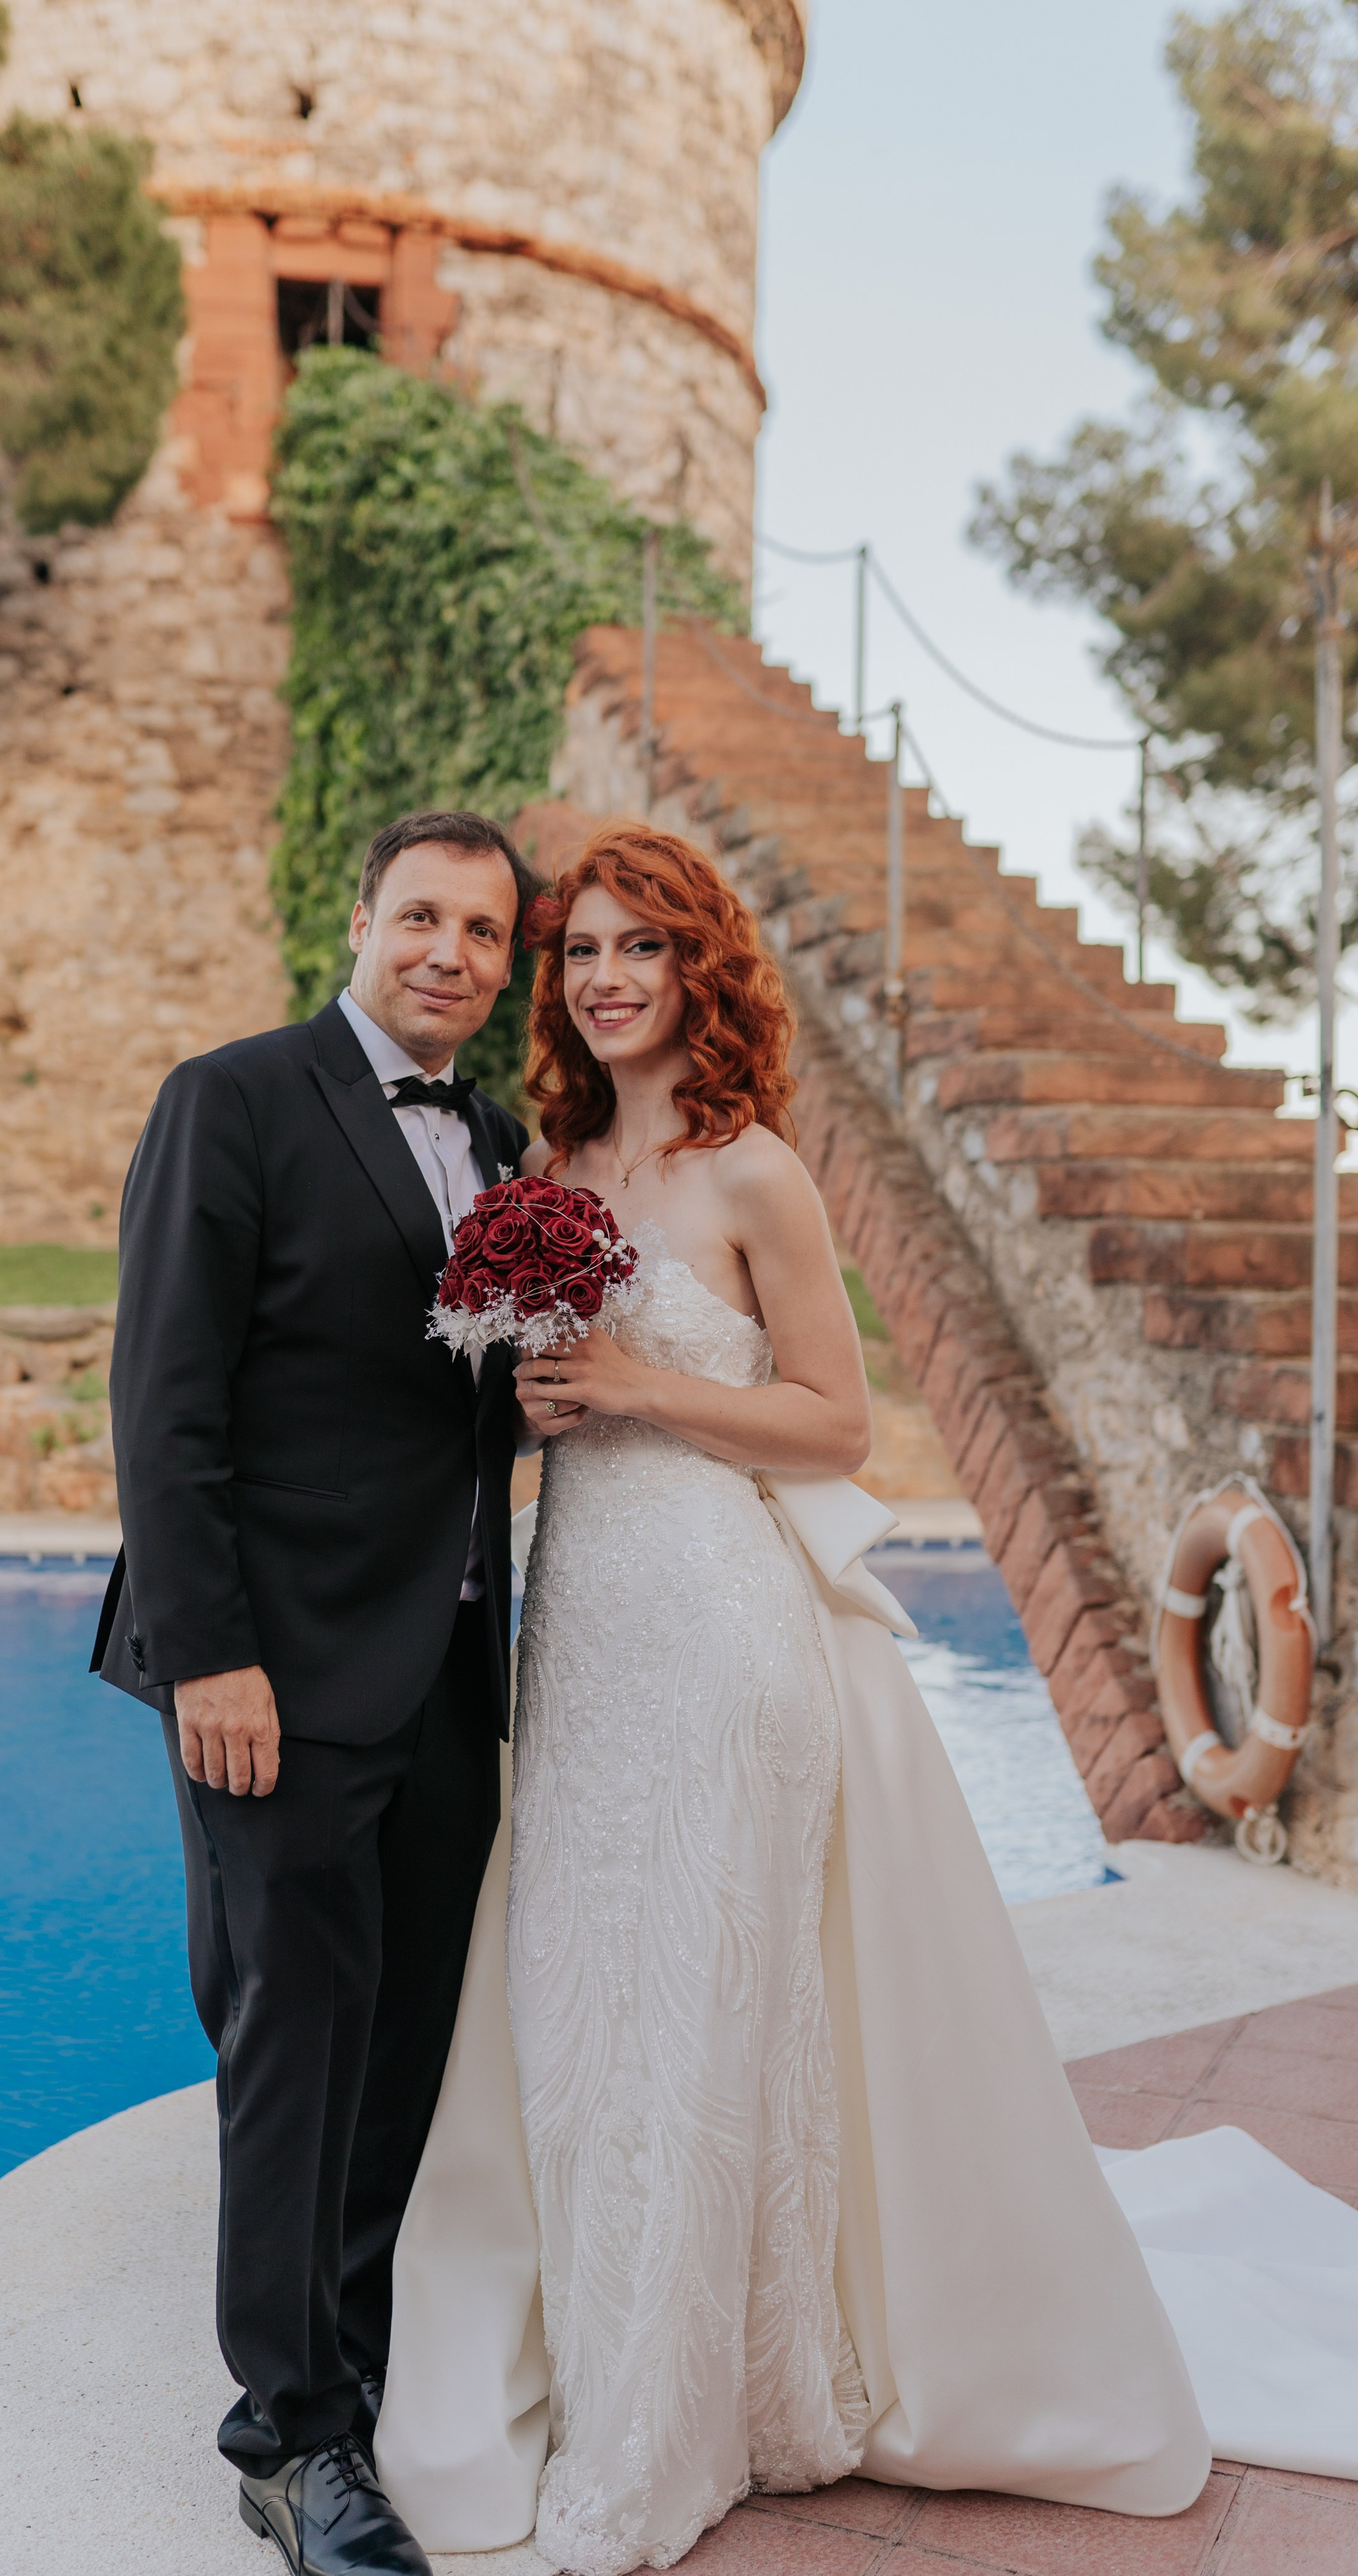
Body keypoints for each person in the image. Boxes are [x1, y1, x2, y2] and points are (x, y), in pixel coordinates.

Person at [367, 822, 1217, 2573]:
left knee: (694, 2018)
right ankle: (619, 2367)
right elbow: (568, 1402)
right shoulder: (559, 1159)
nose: (600, 978)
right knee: (586, 2014)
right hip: (586, 1630)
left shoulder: (756, 1171)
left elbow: (841, 1429)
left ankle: (681, 2431)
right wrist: (547, 1412)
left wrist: (640, 1391)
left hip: (723, 1633)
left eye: (637, 950)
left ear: (700, 972)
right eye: (579, 950)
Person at [91, 810, 536, 2576]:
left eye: (487, 933)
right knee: (291, 2042)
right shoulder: (237, 1097)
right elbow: (164, 1401)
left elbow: (453, 1412)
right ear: (359, 920)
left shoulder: (495, 1140)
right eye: (422, 915)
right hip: (265, 1672)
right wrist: (213, 1653)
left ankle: (349, 2364)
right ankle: (287, 2440)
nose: (453, 953)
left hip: (443, 1670)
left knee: (402, 2042)